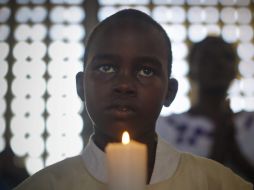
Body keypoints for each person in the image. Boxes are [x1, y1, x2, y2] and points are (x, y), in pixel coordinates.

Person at [14, 9, 252, 190]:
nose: (125, 85)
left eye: (146, 71)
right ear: (80, 86)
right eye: (106, 68)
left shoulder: (216, 183)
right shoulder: (47, 185)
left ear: (169, 92)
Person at [156, 36, 254, 183]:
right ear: (191, 69)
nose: (218, 64)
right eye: (207, 56)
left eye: (226, 57)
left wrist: (233, 149)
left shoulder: (250, 123)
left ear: (235, 70)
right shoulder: (166, 127)